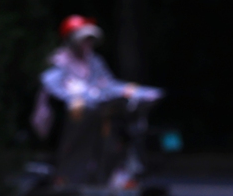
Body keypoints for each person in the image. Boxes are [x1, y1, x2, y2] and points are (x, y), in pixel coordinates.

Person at [31, 15, 161, 185]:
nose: (87, 44)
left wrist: (134, 91)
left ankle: (108, 176)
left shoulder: (94, 61)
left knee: (115, 137)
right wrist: (76, 97)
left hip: (98, 119)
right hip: (70, 121)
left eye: (90, 40)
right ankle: (67, 177)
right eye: (83, 39)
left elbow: (107, 85)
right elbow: (56, 88)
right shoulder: (59, 62)